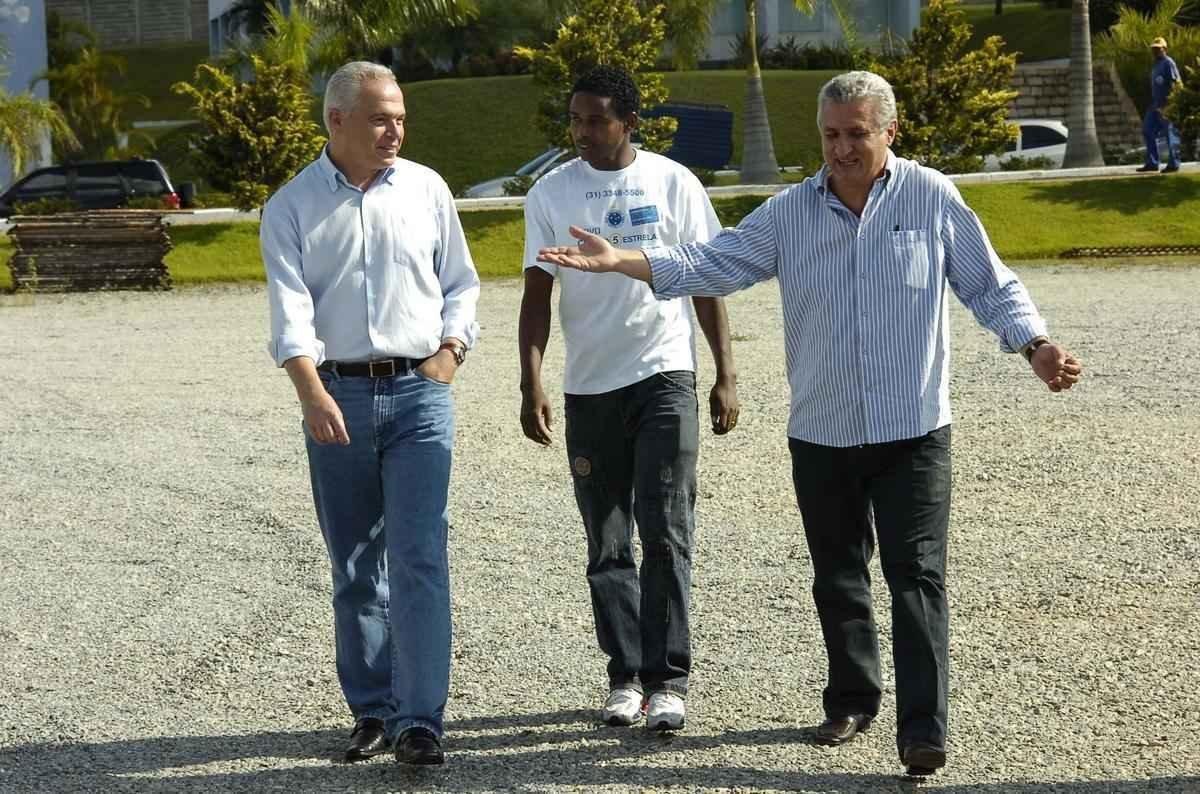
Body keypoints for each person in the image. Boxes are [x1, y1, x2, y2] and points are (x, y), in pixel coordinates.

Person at [537, 70, 1083, 776]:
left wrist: (1034, 344)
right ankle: (852, 699)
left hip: (913, 427)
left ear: (890, 131)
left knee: (917, 577)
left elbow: (988, 282)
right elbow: (715, 261)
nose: (842, 148)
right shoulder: (791, 212)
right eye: (831, 134)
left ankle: (922, 729)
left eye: (857, 133)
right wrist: (626, 261)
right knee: (838, 576)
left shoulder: (930, 197)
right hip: (823, 431)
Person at [260, 61, 479, 766]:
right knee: (355, 566)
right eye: (382, 118)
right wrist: (310, 391)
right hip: (338, 397)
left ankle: (420, 721)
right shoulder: (291, 206)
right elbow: (290, 310)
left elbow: (461, 283)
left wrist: (450, 353)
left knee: (419, 558)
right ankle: (373, 711)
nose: (396, 131)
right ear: (337, 120)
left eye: (401, 118)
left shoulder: (427, 189)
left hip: (419, 394)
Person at [519, 65, 739, 731]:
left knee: (665, 528)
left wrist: (725, 372)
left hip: (664, 376)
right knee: (607, 540)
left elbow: (706, 278)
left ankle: (668, 680)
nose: (583, 131)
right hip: (590, 388)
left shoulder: (674, 183)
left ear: (630, 122)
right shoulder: (551, 192)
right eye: (576, 119)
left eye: (597, 119)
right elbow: (537, 294)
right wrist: (530, 379)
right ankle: (625, 675)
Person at [1137, 36, 1183, 174]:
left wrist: (1173, 104)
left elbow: (1176, 83)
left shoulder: (1168, 63)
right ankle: (1152, 163)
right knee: (1147, 130)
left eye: (1158, 49)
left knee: (1170, 134)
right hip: (1155, 105)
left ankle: (1174, 164)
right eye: (1154, 49)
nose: (1156, 51)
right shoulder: (1156, 65)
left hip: (1167, 105)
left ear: (1165, 49)